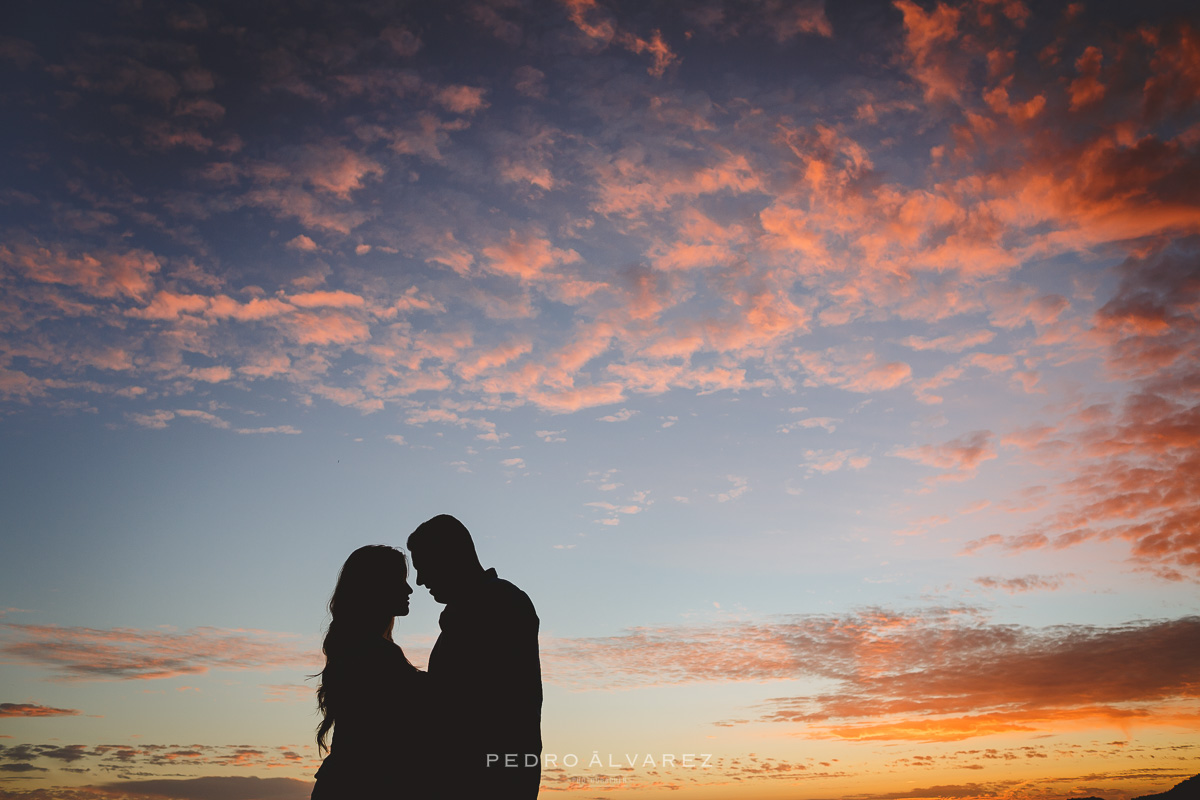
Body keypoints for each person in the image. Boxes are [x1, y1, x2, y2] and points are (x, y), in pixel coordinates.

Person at [408, 514, 542, 799]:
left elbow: (465, 701)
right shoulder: (483, 605)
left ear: (449, 557)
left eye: (424, 567)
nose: (419, 581)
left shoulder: (497, 603)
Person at [311, 545, 433, 799]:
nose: (410, 589)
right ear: (377, 588)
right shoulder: (375, 655)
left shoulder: (358, 649)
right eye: (401, 581)